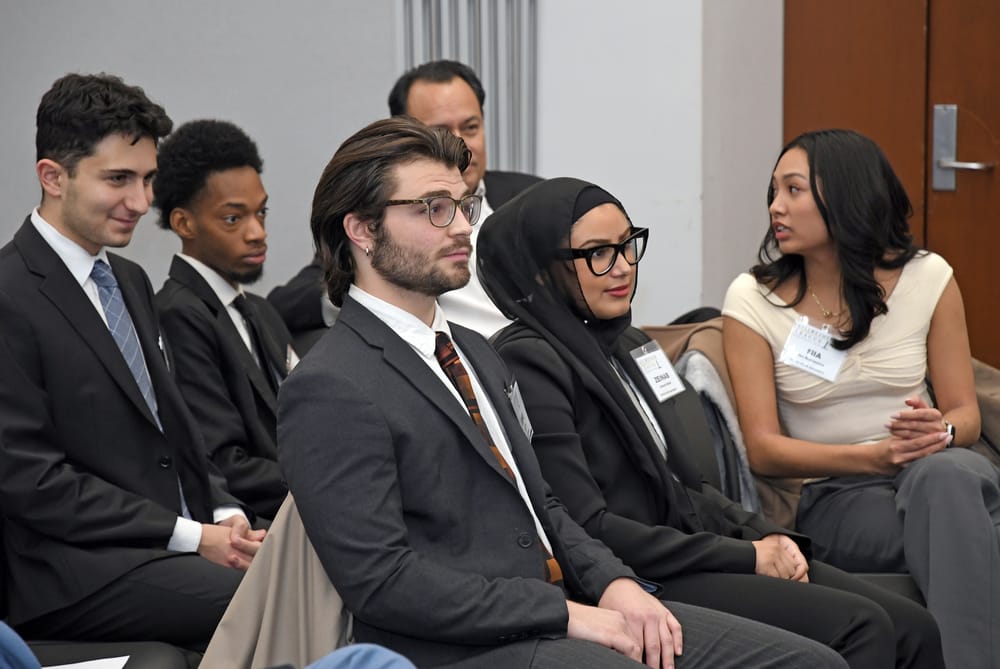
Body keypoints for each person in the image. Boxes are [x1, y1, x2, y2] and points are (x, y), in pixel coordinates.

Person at [277, 115, 848, 669]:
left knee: (809, 661)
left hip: (558, 606)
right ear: (362, 229)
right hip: (460, 645)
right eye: (433, 208)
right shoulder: (331, 385)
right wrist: (565, 614)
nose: (460, 227)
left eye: (464, 206)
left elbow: (542, 503)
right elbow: (383, 583)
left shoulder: (476, 349)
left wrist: (616, 582)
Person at [477, 176, 944, 668]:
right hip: (635, 573)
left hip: (686, 548)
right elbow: (590, 526)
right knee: (862, 627)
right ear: (543, 271)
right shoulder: (533, 360)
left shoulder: (624, 345)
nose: (622, 268)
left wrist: (767, 537)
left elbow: (686, 489)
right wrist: (747, 556)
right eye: (598, 253)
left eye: (627, 245)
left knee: (914, 625)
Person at [0, 73, 263, 651]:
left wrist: (222, 509)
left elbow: (174, 426)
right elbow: (31, 482)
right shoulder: (9, 294)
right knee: (270, 603)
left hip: (156, 551)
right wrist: (191, 537)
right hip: (72, 574)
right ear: (53, 176)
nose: (142, 203)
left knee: (315, 571)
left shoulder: (128, 279)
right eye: (118, 179)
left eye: (147, 180)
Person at [721, 128, 1000, 669]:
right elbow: (764, 450)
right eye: (773, 192)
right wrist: (872, 456)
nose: (776, 207)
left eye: (794, 190)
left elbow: (964, 415)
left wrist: (937, 433)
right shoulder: (753, 301)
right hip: (838, 493)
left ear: (845, 195)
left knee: (947, 477)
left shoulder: (928, 277)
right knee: (970, 527)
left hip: (939, 469)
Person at [268, 59, 540, 341]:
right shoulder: (376, 226)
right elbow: (285, 306)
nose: (462, 142)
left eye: (471, 127)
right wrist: (373, 286)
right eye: (441, 131)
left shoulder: (531, 196)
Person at [154, 119, 296, 520]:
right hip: (255, 522)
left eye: (261, 212)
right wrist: (324, 479)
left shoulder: (261, 310)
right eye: (233, 218)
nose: (257, 232)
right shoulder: (178, 313)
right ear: (184, 223)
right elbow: (222, 463)